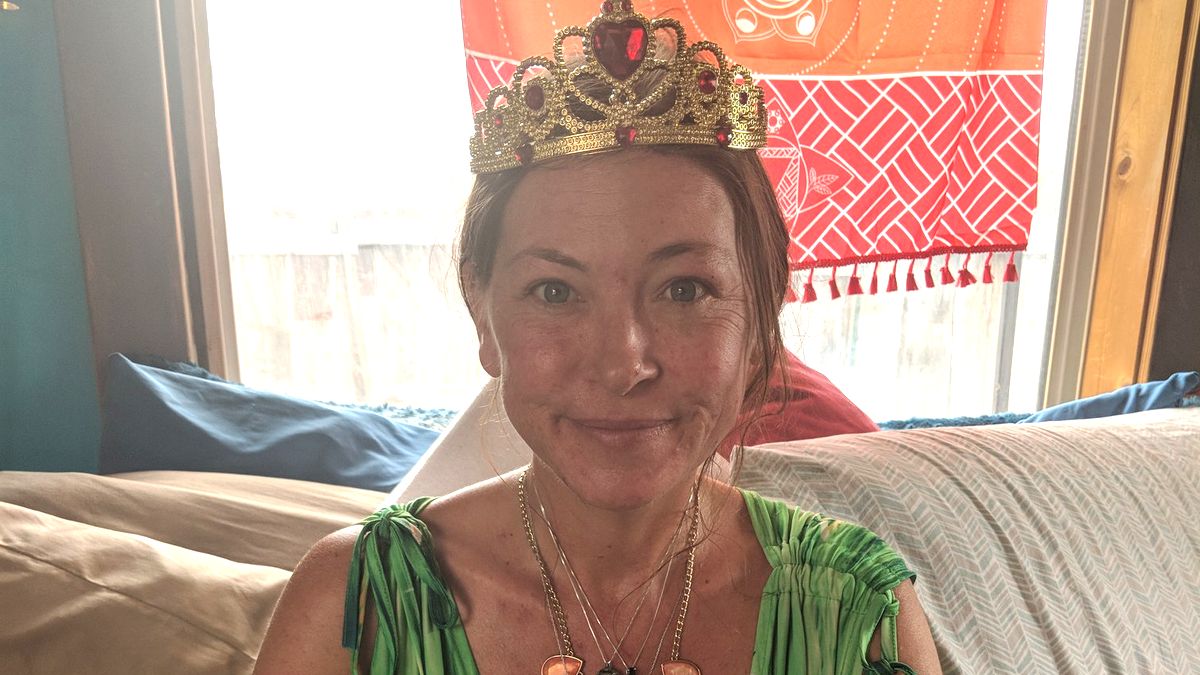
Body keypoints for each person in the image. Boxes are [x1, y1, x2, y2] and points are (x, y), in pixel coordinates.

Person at [253, 3, 941, 673]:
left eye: (684, 289)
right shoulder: (355, 606)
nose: (622, 365)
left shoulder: (861, 617)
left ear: (761, 321)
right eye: (555, 292)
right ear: (481, 313)